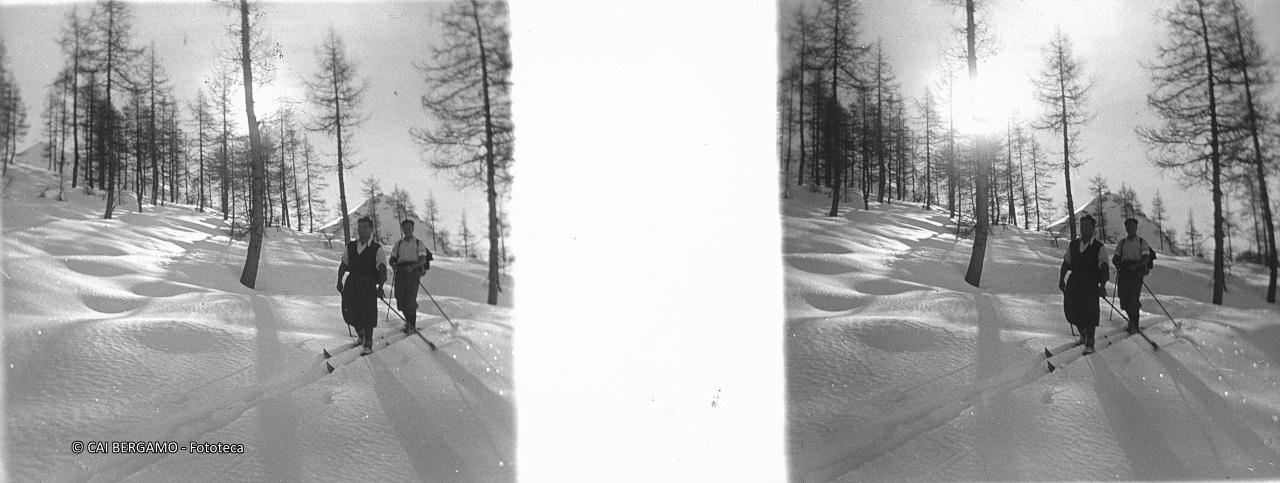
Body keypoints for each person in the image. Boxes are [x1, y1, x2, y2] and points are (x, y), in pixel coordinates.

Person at [1059, 214, 1110, 354]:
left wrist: (1102, 286)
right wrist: (1061, 279)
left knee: (1090, 312)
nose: (1084, 228)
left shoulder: (1098, 247)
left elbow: (1104, 268)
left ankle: (1090, 342)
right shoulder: (1074, 245)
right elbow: (1066, 263)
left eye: (1087, 225)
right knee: (1072, 310)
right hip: (1074, 282)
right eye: (1082, 226)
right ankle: (1083, 333)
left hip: (1090, 283)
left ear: (1093, 228)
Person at [336, 216, 387, 355]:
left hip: (368, 284)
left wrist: (380, 288)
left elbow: (383, 270)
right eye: (359, 227)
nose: (361, 230)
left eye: (365, 227)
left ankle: (368, 344)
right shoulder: (351, 246)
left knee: (367, 313)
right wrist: (339, 280)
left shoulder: (376, 249)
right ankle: (361, 335)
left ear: (370, 229)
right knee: (349, 312)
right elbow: (344, 264)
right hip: (351, 282)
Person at [389, 219, 433, 334]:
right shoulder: (398, 244)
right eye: (405, 228)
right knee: (400, 298)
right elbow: (392, 259)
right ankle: (408, 322)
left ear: (413, 229)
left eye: (409, 228)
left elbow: (422, 259)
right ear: (402, 230)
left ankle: (411, 325)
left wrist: (413, 266)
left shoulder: (418, 243)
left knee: (410, 299)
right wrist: (393, 264)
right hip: (401, 272)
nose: (407, 230)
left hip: (413, 272)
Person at [1112, 218, 1151, 334]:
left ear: (1136, 228)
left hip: (1136, 273)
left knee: (1133, 298)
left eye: (1132, 227)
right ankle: (1132, 321)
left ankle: (1134, 324)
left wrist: (1136, 265)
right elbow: (1115, 257)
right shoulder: (1122, 243)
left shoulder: (1142, 242)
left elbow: (1146, 258)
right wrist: (1117, 264)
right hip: (1124, 273)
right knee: (1123, 298)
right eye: (1128, 227)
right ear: (1126, 229)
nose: (1130, 229)